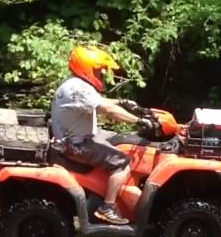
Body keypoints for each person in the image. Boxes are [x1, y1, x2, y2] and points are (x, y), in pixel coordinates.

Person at [50, 45, 155, 225]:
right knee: (123, 162)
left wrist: (122, 101)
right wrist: (139, 121)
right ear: (86, 67)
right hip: (76, 144)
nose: (102, 73)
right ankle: (108, 207)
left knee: (121, 139)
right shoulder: (78, 89)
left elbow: (99, 101)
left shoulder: (76, 84)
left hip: (79, 135)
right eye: (98, 70)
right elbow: (108, 110)